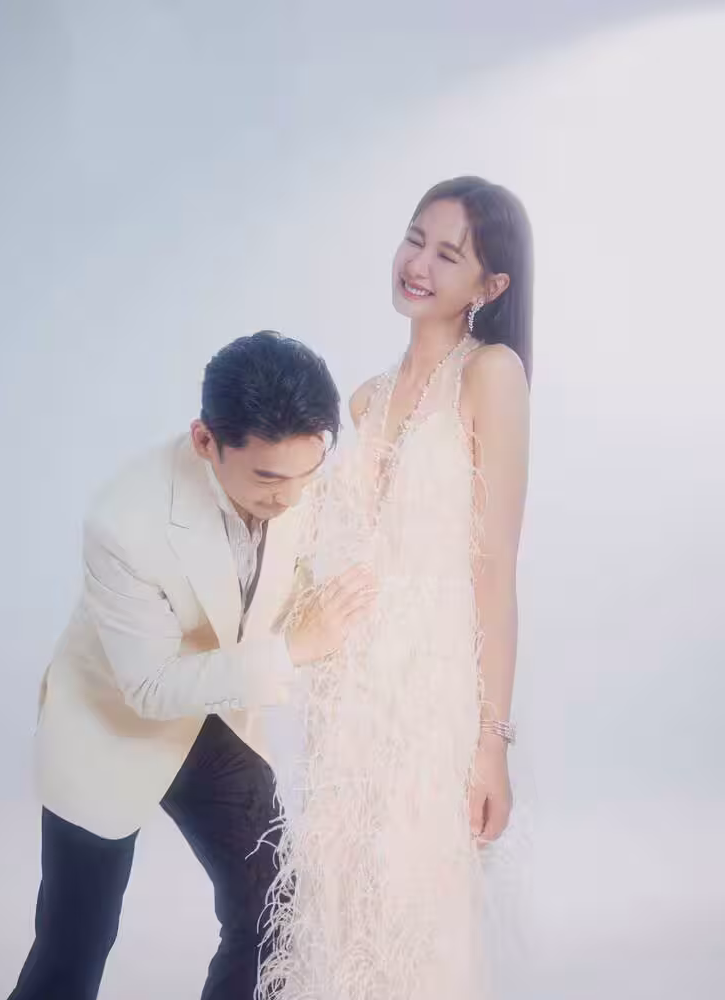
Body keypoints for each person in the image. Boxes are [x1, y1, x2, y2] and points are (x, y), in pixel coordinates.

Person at [6, 331, 375, 1000]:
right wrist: (296, 647)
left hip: (212, 720)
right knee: (74, 949)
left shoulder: (300, 477)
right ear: (206, 440)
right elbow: (149, 688)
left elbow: (285, 572)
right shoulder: (124, 520)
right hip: (110, 724)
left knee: (273, 909)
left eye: (306, 473)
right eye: (268, 478)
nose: (291, 497)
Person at [258, 177, 533, 999]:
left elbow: (496, 568)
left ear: (490, 285)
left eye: (448, 254)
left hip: (431, 696)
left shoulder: (491, 374)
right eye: (415, 238)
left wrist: (491, 742)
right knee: (343, 901)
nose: (418, 264)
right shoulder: (366, 399)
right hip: (350, 694)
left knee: (417, 908)